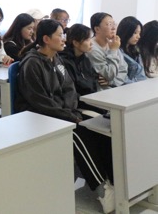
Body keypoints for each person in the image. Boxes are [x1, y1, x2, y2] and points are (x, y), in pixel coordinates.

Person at [15, 20, 113, 207]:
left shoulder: (56, 59)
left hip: (62, 112)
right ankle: (102, 189)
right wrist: (69, 116)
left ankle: (111, 179)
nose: (63, 39)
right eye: (60, 35)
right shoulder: (32, 63)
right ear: (46, 39)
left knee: (100, 127)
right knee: (78, 133)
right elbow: (40, 102)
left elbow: (69, 90)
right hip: (40, 117)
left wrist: (71, 111)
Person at [58, 23, 105, 110]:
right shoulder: (64, 62)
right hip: (78, 104)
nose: (91, 43)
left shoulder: (84, 59)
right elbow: (72, 91)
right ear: (75, 43)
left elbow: (93, 79)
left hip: (90, 99)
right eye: (87, 40)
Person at [86, 12, 127, 88]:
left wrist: (112, 82)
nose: (114, 28)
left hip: (115, 88)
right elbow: (108, 75)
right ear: (97, 29)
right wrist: (113, 50)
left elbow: (123, 70)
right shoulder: (91, 48)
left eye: (114, 24)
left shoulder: (112, 44)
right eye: (109, 24)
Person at [116, 16, 147, 82]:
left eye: (139, 33)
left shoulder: (135, 50)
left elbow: (142, 74)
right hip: (126, 86)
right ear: (126, 31)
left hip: (138, 85)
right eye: (135, 33)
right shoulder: (116, 51)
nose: (138, 36)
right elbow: (121, 78)